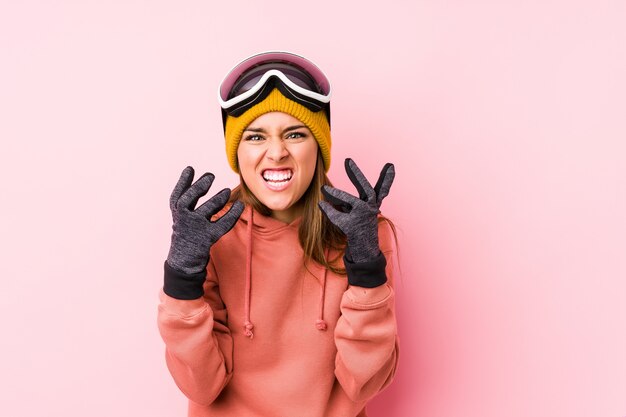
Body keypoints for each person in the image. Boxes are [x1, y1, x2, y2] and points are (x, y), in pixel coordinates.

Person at [157, 51, 399, 417]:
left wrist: (366, 268)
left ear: (318, 147)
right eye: (256, 136)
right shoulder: (208, 236)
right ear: (237, 151)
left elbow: (365, 383)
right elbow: (200, 387)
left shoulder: (362, 234)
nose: (276, 153)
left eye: (295, 133)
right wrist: (181, 279)